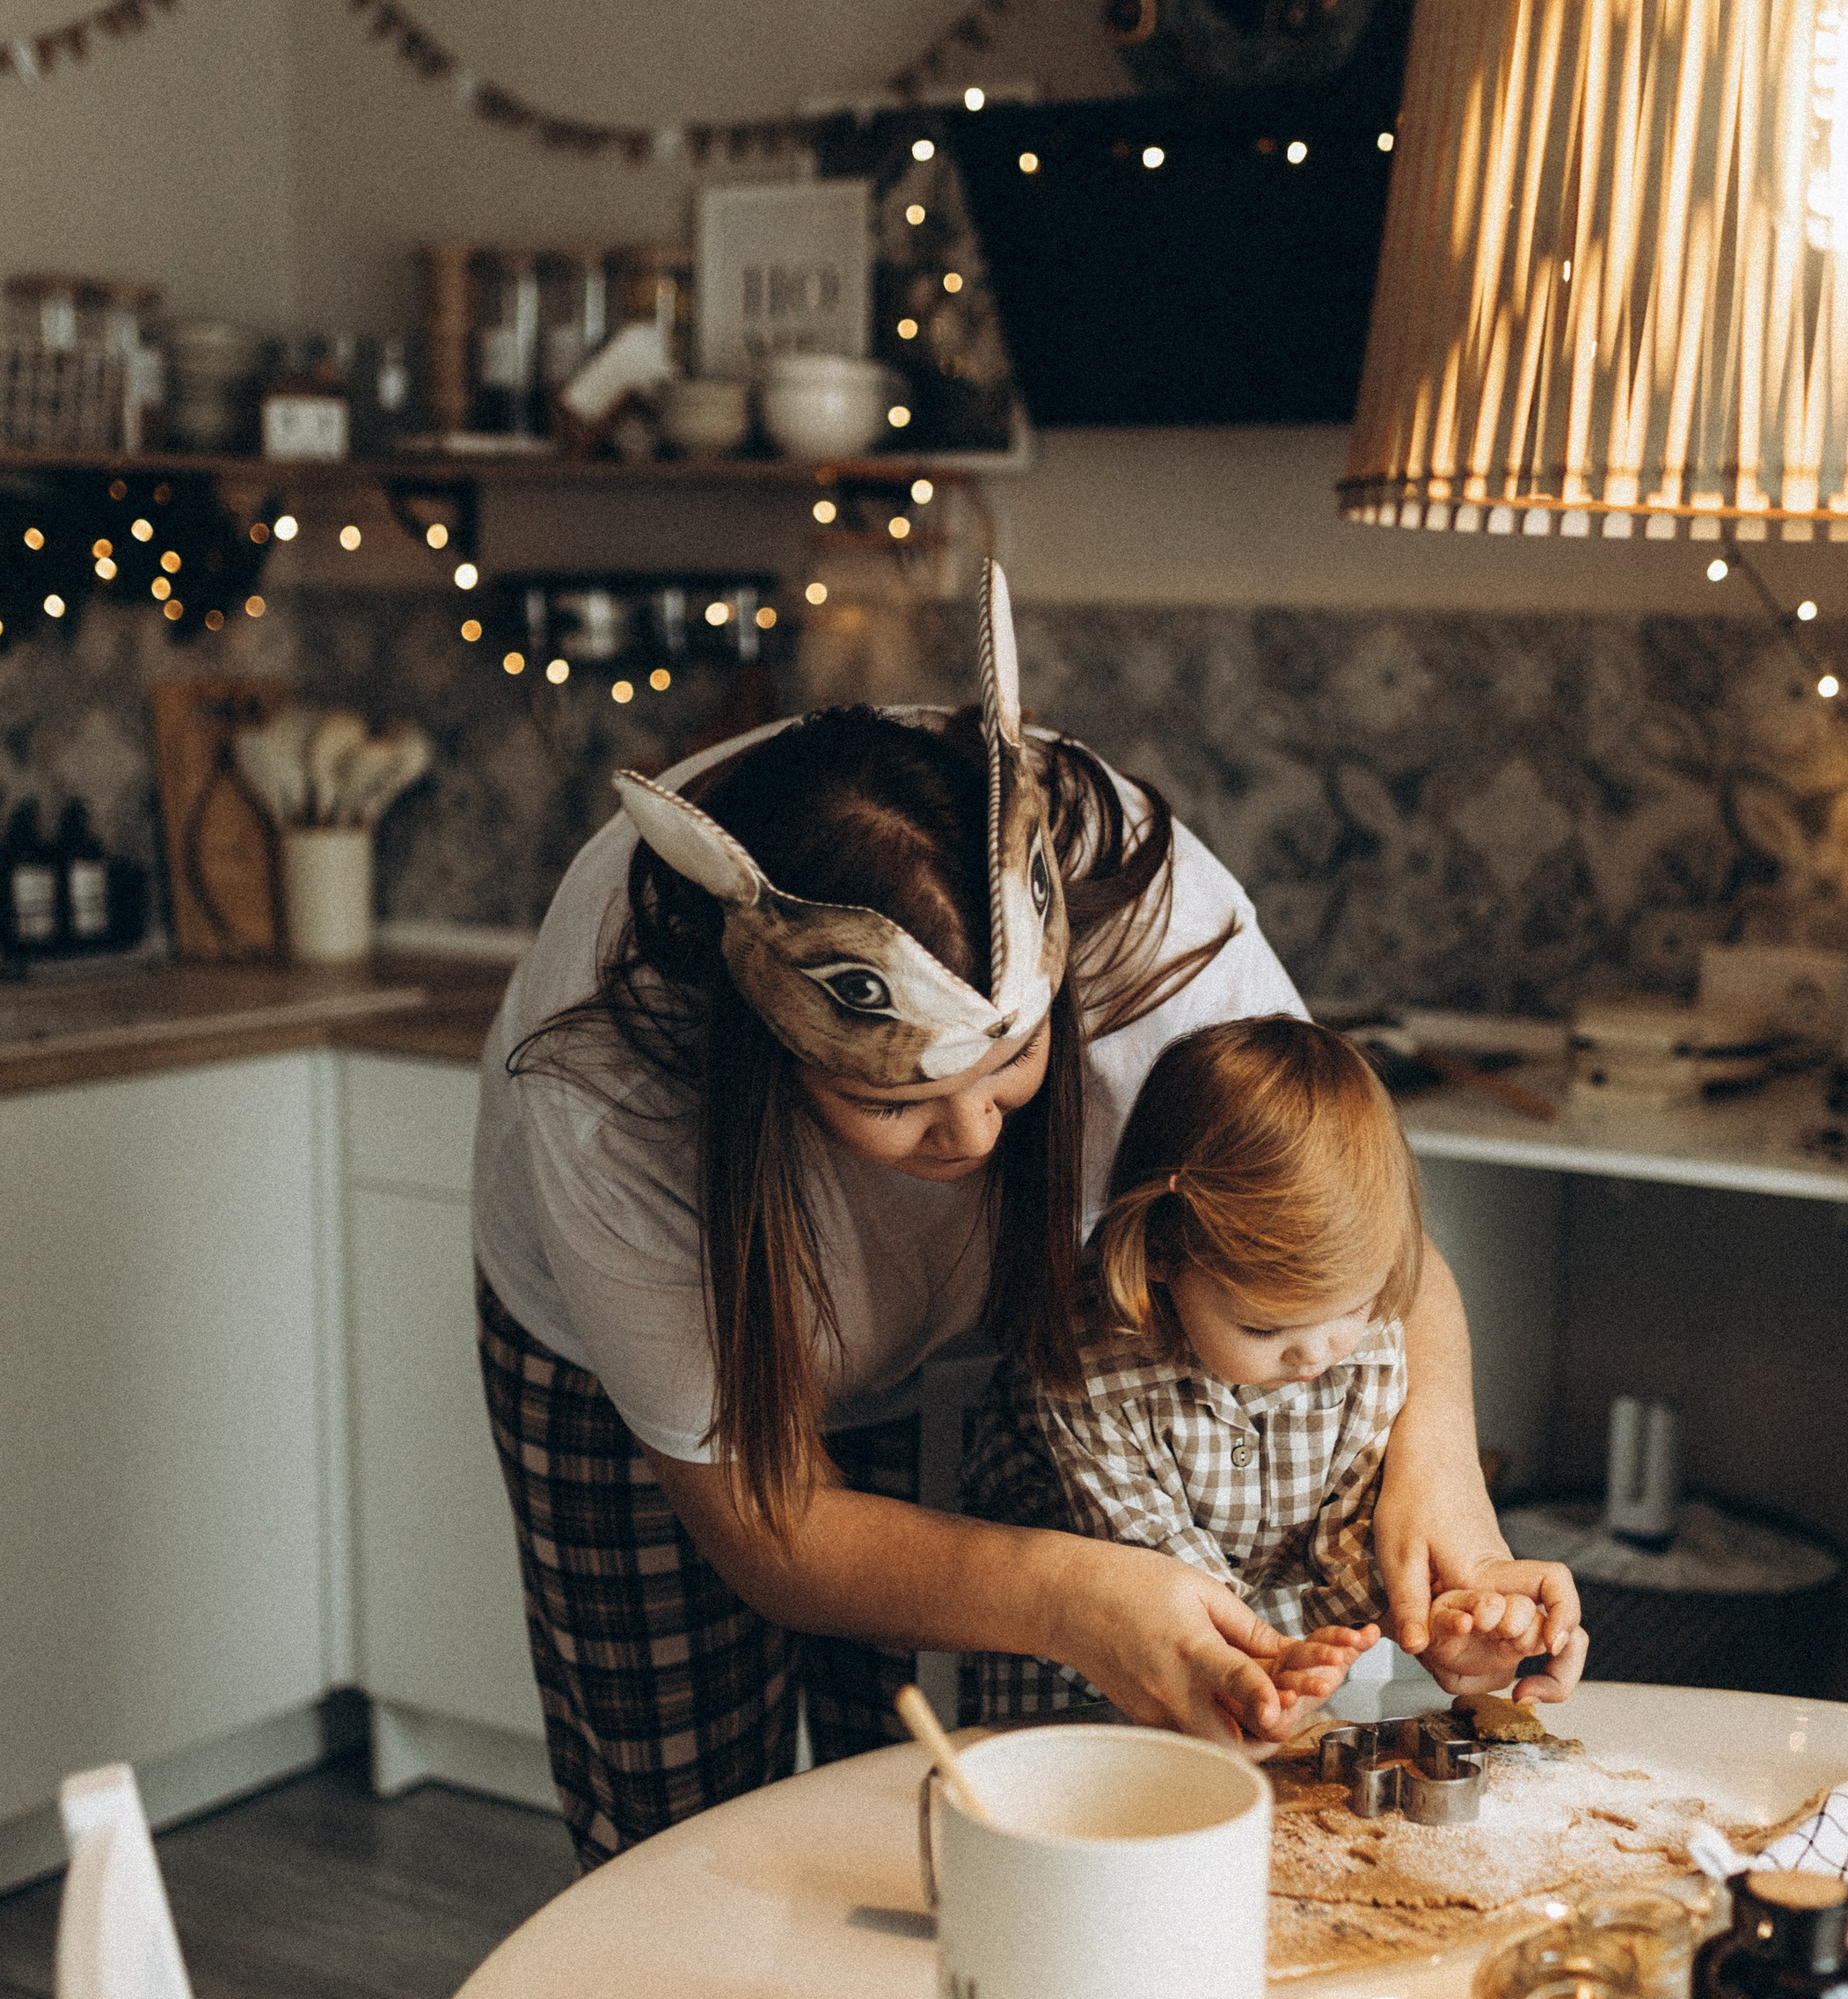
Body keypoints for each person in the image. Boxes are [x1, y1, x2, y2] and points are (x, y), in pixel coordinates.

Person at [472, 565, 1575, 1867]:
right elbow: (775, 1533)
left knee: (909, 1819)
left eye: (1013, 1066)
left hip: (988, 1359)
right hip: (660, 1417)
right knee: (682, 1830)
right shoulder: (613, 1093)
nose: (974, 1138)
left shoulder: (1157, 935)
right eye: (895, 1102)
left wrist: (1439, 1467)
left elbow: (1349, 1230)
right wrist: (1072, 1592)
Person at [961, 1016, 1587, 1726]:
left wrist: (1440, 1615)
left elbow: (1350, 1537)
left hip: (1271, 1640)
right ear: (1159, 1252)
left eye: (1350, 1311)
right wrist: (1256, 1671)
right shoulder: (1086, 1362)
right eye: (1264, 1328)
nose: (1317, 1355)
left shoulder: (1367, 1340)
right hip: (1075, 1666)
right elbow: (1160, 1584)